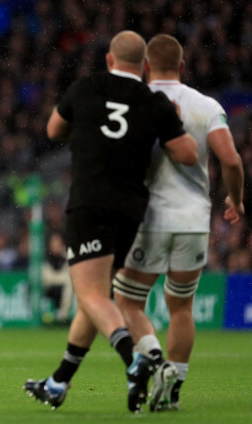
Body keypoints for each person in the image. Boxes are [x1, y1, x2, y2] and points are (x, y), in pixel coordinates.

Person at [23, 30, 198, 413]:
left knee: (90, 296)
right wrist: (168, 125)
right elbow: (187, 153)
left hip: (90, 204)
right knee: (94, 298)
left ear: (110, 61)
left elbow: (53, 130)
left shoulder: (87, 88)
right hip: (131, 211)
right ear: (145, 66)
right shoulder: (154, 101)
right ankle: (58, 382)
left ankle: (135, 357)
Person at [114, 34, 245, 412]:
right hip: (193, 221)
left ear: (146, 67)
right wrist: (234, 200)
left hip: (149, 218)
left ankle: (152, 357)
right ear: (183, 67)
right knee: (181, 308)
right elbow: (232, 161)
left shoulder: (131, 103)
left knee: (127, 301)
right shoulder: (206, 106)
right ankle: (174, 384)